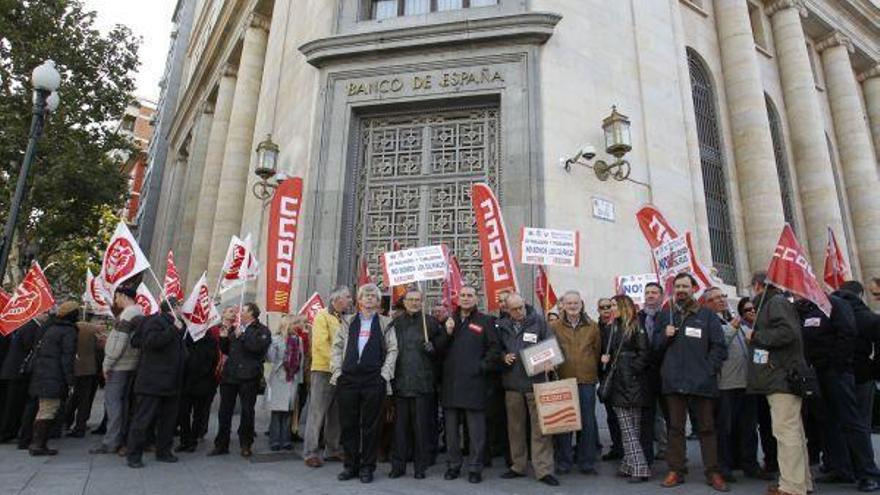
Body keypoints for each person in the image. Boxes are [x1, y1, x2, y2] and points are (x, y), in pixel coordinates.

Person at [797, 289, 880, 491]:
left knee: (851, 421)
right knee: (827, 422)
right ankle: (839, 468)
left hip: (837, 372)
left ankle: (868, 473)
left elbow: (847, 332)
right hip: (818, 374)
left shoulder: (835, 304)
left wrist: (837, 363)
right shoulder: (809, 310)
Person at [655, 273, 728, 491]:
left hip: (701, 382)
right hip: (674, 382)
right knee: (675, 429)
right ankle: (676, 470)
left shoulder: (707, 316)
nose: (681, 290)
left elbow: (719, 347)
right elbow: (654, 348)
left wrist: (708, 370)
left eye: (685, 286)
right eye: (677, 286)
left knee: (706, 428)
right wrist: (664, 336)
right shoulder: (665, 315)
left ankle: (713, 472)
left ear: (693, 288)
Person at [747, 271, 813, 495]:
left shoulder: (775, 302)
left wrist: (757, 336)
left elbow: (787, 333)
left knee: (786, 433)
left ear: (757, 286)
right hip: (781, 377)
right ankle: (801, 482)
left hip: (781, 378)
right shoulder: (775, 302)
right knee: (793, 432)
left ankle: (792, 486)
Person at [331, 283, 398, 484]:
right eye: (365, 296)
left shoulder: (386, 323)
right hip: (349, 379)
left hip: (373, 380)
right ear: (359, 301)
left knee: (371, 425)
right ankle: (350, 465)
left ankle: (367, 467)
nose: (369, 299)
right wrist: (338, 372)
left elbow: (393, 349)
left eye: (373, 297)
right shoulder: (347, 321)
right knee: (349, 424)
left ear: (378, 302)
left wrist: (384, 375)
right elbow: (337, 347)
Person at [434, 285, 498, 483]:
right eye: (462, 295)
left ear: (476, 299)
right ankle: (453, 465)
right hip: (451, 384)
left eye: (470, 295)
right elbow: (437, 350)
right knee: (451, 431)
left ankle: (475, 467)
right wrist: (448, 332)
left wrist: (481, 367)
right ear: (457, 299)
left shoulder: (485, 321)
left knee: (476, 430)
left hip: (475, 383)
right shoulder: (448, 321)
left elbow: (495, 349)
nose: (466, 298)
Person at [496, 293, 559, 486]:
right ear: (507, 309)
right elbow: (494, 348)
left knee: (540, 429)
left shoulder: (538, 321)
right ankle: (518, 465)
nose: (519, 311)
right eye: (514, 309)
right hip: (512, 383)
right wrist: (502, 356)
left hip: (536, 382)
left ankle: (543, 469)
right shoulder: (501, 326)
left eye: (521, 307)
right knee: (515, 428)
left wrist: (550, 361)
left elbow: (552, 345)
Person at [704, 287, 765, 482]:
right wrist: (733, 326)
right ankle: (724, 466)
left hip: (746, 383)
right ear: (707, 303)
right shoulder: (708, 321)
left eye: (722, 296)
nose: (721, 300)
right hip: (725, 385)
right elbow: (718, 343)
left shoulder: (730, 318)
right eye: (715, 298)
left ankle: (750, 464)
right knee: (725, 429)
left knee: (748, 427)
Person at [126, 298, 187, 468]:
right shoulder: (155, 321)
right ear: (173, 307)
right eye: (180, 305)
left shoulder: (178, 323)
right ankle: (134, 455)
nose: (182, 308)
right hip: (152, 381)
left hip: (172, 381)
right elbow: (150, 342)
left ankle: (164, 451)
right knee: (143, 419)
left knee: (168, 421)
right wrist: (173, 329)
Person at [388, 288, 442, 479]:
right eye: (410, 299)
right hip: (401, 383)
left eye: (417, 300)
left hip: (422, 384)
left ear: (422, 302)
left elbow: (443, 349)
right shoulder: (395, 323)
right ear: (404, 302)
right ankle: (398, 465)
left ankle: (421, 466)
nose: (413, 303)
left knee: (421, 428)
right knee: (400, 428)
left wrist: (433, 348)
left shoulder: (431, 323)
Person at [209, 302, 271, 458]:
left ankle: (246, 443)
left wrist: (242, 336)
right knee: (224, 411)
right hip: (230, 375)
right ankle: (221, 444)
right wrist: (224, 339)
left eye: (243, 310)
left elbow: (258, 349)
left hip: (249, 376)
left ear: (251, 313)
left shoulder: (262, 330)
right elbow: (226, 350)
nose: (239, 313)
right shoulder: (236, 327)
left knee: (247, 411)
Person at [551, 290, 600, 476]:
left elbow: (596, 351)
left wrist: (589, 368)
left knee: (587, 423)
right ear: (563, 305)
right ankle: (564, 461)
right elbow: (550, 349)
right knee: (564, 422)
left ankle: (586, 462)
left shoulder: (593, 327)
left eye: (575, 303)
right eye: (569, 303)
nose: (572, 306)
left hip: (586, 380)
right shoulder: (554, 326)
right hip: (563, 379)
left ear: (581, 305)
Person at [603, 294, 651, 482]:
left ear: (623, 306)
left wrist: (631, 370)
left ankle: (639, 467)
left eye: (613, 304)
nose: (610, 308)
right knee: (628, 427)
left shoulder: (635, 325)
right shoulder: (613, 327)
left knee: (631, 428)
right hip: (619, 381)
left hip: (632, 381)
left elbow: (644, 352)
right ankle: (629, 464)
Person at [90, 285, 143, 455]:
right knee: (122, 404)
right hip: (130, 365)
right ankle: (119, 440)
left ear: (123, 296)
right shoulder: (139, 313)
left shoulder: (127, 315)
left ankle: (111, 442)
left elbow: (118, 343)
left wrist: (107, 364)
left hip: (120, 366)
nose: (115, 300)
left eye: (116, 297)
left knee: (113, 405)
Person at [303, 286, 350, 467]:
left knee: (336, 413)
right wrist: (338, 364)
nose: (350, 300)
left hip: (341, 373)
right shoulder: (322, 315)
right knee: (317, 413)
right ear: (336, 299)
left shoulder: (343, 319)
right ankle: (310, 452)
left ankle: (332, 449)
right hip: (324, 370)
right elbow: (321, 345)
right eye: (347, 297)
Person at [27, 301, 79, 456]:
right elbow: (67, 358)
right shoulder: (68, 332)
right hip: (54, 377)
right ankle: (38, 445)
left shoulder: (51, 328)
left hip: (43, 375)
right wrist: (70, 381)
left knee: (44, 409)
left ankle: (38, 443)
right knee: (48, 410)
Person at [835, 281, 880, 432]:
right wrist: (874, 370)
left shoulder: (829, 315)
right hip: (864, 373)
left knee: (841, 421)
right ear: (860, 295)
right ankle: (863, 455)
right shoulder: (870, 318)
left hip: (836, 374)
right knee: (863, 421)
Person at [175, 314, 220, 453]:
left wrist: (204, 376)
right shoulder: (185, 337)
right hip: (185, 382)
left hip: (202, 382)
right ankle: (184, 440)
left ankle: (193, 440)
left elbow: (212, 361)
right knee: (183, 413)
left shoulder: (210, 339)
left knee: (198, 414)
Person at [0, 315, 48, 444]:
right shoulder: (31, 327)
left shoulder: (31, 326)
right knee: (13, 405)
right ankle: (6, 433)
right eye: (45, 313)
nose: (47, 315)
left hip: (16, 371)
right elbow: (30, 347)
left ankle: (9, 431)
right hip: (18, 372)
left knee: (14, 404)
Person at [638, 281, 667, 464]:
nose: (650, 295)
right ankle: (646, 456)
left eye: (654, 292)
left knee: (667, 416)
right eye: (647, 292)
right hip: (644, 374)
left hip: (665, 373)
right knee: (647, 417)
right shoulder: (637, 317)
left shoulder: (668, 317)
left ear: (661, 296)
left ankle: (668, 451)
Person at [266, 315, 303, 451]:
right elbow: (270, 358)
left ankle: (286, 440)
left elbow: (301, 360)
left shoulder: (298, 340)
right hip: (278, 378)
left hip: (291, 379)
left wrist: (299, 381)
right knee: (277, 411)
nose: (298, 326)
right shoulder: (275, 339)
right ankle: (275, 440)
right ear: (287, 325)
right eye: (295, 323)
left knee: (288, 411)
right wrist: (271, 346)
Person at [64, 319, 107, 437]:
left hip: (79, 368)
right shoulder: (91, 331)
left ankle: (69, 422)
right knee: (84, 399)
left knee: (76, 398)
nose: (102, 326)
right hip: (90, 370)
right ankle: (79, 425)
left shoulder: (77, 328)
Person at [598, 296, 623, 461]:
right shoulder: (595, 327)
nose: (606, 309)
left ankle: (625, 448)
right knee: (611, 416)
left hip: (621, 377)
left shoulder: (622, 326)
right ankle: (616, 447)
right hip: (605, 376)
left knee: (624, 416)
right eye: (603, 307)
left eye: (609, 306)